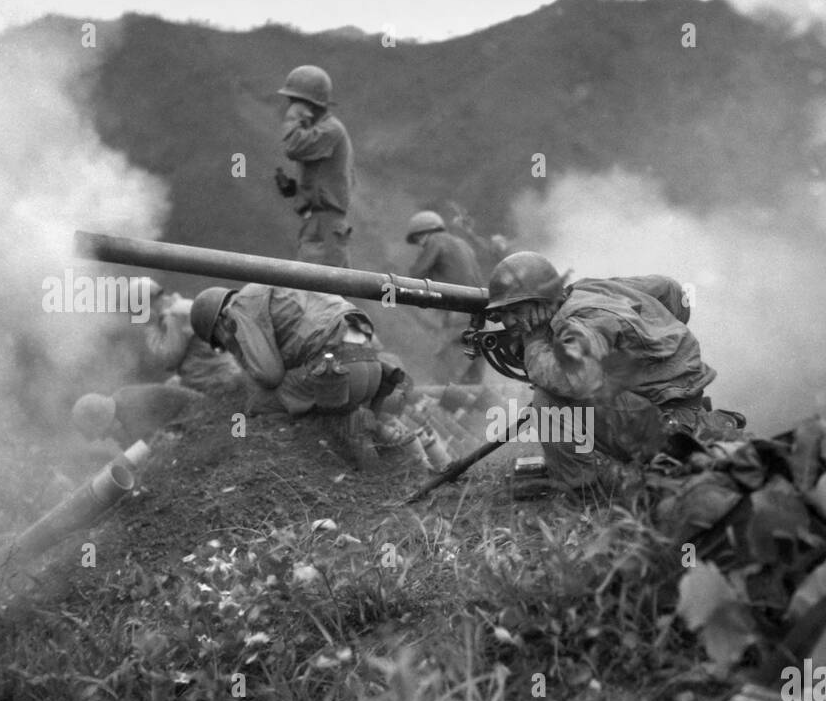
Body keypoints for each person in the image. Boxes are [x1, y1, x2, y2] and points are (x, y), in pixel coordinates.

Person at [483, 252, 739, 493]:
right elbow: (670, 289)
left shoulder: (579, 319)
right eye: (502, 314)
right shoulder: (590, 290)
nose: (507, 322)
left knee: (550, 400)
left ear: (540, 301)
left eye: (515, 311)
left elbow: (576, 382)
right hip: (675, 404)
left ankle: (587, 494)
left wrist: (536, 343)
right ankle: (695, 430)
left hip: (668, 421)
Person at [189, 282, 414, 471]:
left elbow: (270, 375)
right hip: (372, 367)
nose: (225, 346)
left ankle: (351, 424)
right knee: (306, 389)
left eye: (220, 342)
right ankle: (379, 430)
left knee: (261, 402)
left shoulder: (237, 310)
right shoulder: (273, 288)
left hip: (341, 374)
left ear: (218, 323)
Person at [273, 65, 355, 268]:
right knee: (317, 294)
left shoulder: (330, 130)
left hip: (324, 230)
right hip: (317, 226)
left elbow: (293, 147)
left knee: (315, 294)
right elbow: (324, 178)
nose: (290, 107)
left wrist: (295, 116)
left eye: (294, 102)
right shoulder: (321, 131)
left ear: (309, 105)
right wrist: (296, 189)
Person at [405, 210, 487, 381]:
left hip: (458, 319)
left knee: (444, 377)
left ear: (425, 234)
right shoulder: (462, 244)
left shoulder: (436, 241)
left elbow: (416, 274)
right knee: (473, 381)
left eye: (419, 240)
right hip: (480, 318)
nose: (420, 245)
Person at [140, 279, 245, 394]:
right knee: (170, 385)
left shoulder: (174, 316)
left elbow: (169, 360)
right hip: (223, 372)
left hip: (208, 380)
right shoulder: (183, 305)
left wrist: (152, 332)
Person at [71, 384, 205, 451]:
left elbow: (151, 445)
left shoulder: (131, 408)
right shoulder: (121, 405)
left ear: (107, 420)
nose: (103, 438)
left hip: (199, 414)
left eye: (104, 433)